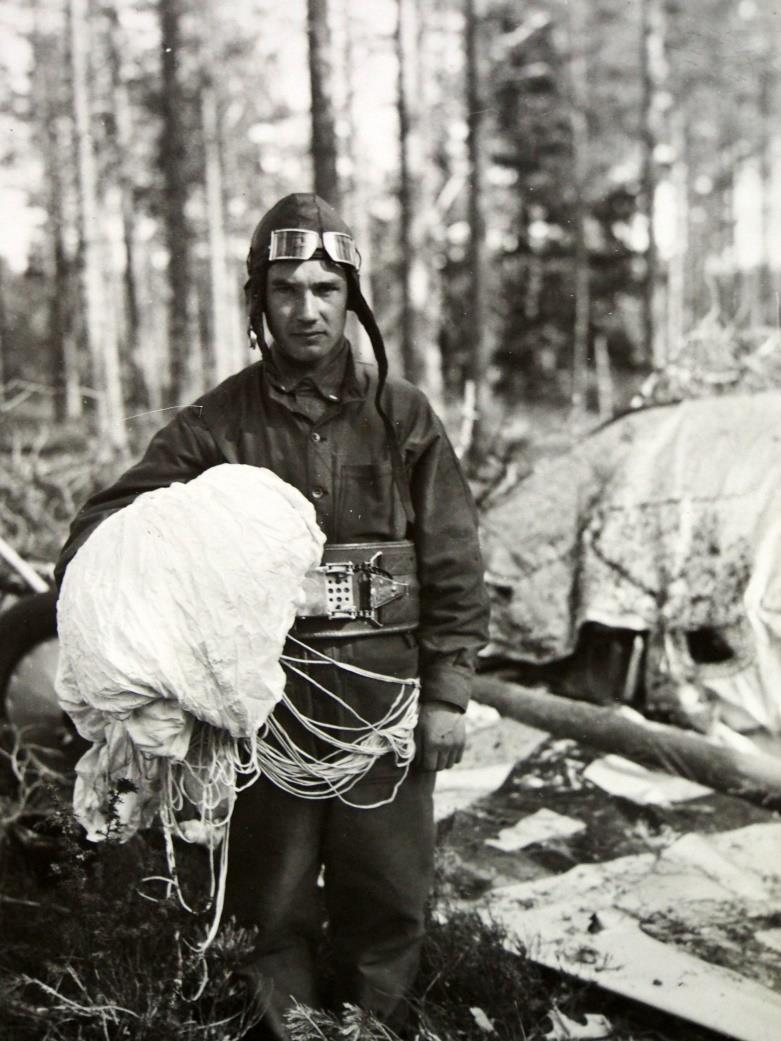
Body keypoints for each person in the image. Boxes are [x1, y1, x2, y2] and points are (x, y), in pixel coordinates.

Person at [55, 193, 490, 1039]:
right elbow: (100, 533)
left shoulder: (402, 414)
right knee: (272, 901)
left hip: (384, 710)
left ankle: (375, 1031)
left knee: (388, 897)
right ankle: (290, 1033)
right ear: (260, 303)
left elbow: (452, 559)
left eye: (326, 288)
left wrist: (448, 693)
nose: (306, 308)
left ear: (351, 298)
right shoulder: (219, 420)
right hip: (267, 712)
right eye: (286, 289)